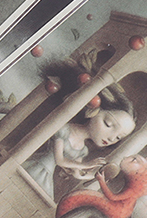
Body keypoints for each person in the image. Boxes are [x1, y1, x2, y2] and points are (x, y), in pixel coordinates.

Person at [22, 63, 136, 200]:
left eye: (118, 137)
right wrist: (86, 165)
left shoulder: (83, 150)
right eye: (108, 124)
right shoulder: (65, 129)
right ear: (93, 111)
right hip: (36, 168)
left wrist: (96, 176)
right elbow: (59, 160)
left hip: (47, 178)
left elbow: (77, 173)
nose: (111, 138)